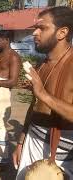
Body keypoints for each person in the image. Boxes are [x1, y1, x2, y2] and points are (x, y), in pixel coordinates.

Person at [13, 6, 73, 179]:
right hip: (32, 141)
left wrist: (44, 94)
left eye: (43, 28)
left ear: (62, 32)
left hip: (61, 154)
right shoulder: (43, 64)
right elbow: (34, 105)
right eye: (35, 28)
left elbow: (42, 96)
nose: (35, 33)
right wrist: (21, 141)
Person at [0, 30, 21, 164]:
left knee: (0, 123)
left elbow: (13, 81)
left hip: (2, 93)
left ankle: (2, 157)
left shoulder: (14, 57)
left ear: (7, 40)